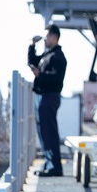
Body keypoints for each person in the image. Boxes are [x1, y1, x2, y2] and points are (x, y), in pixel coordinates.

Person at [29, 24, 68, 177]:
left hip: (50, 97)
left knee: (49, 132)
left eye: (46, 37)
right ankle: (49, 163)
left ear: (54, 37)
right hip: (44, 97)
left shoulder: (58, 57)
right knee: (44, 132)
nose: (44, 40)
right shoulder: (48, 55)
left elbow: (56, 79)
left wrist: (40, 74)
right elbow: (33, 60)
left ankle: (55, 167)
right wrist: (32, 45)